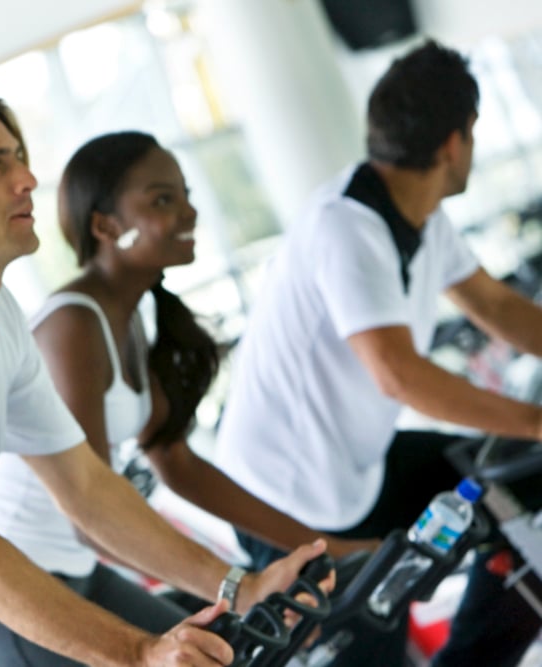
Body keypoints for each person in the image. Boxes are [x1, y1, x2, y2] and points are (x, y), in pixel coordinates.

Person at [0, 86, 332, 667]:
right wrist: (140, 653)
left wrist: (238, 588)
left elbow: (86, 487)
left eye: (18, 156)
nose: (27, 179)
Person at [0, 130, 373, 664]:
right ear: (105, 226)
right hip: (8, 600)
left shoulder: (130, 316)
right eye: (163, 200)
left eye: (186, 195)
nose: (189, 212)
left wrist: (318, 545)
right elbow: (88, 512)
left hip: (75, 571)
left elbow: (178, 464)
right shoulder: (73, 325)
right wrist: (237, 586)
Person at [215, 40, 542, 667]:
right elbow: (398, 375)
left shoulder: (424, 220)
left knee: (523, 484)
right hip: (284, 500)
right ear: (455, 141)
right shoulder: (347, 226)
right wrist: (533, 419)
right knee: (370, 646)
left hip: (358, 472)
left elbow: (497, 308)